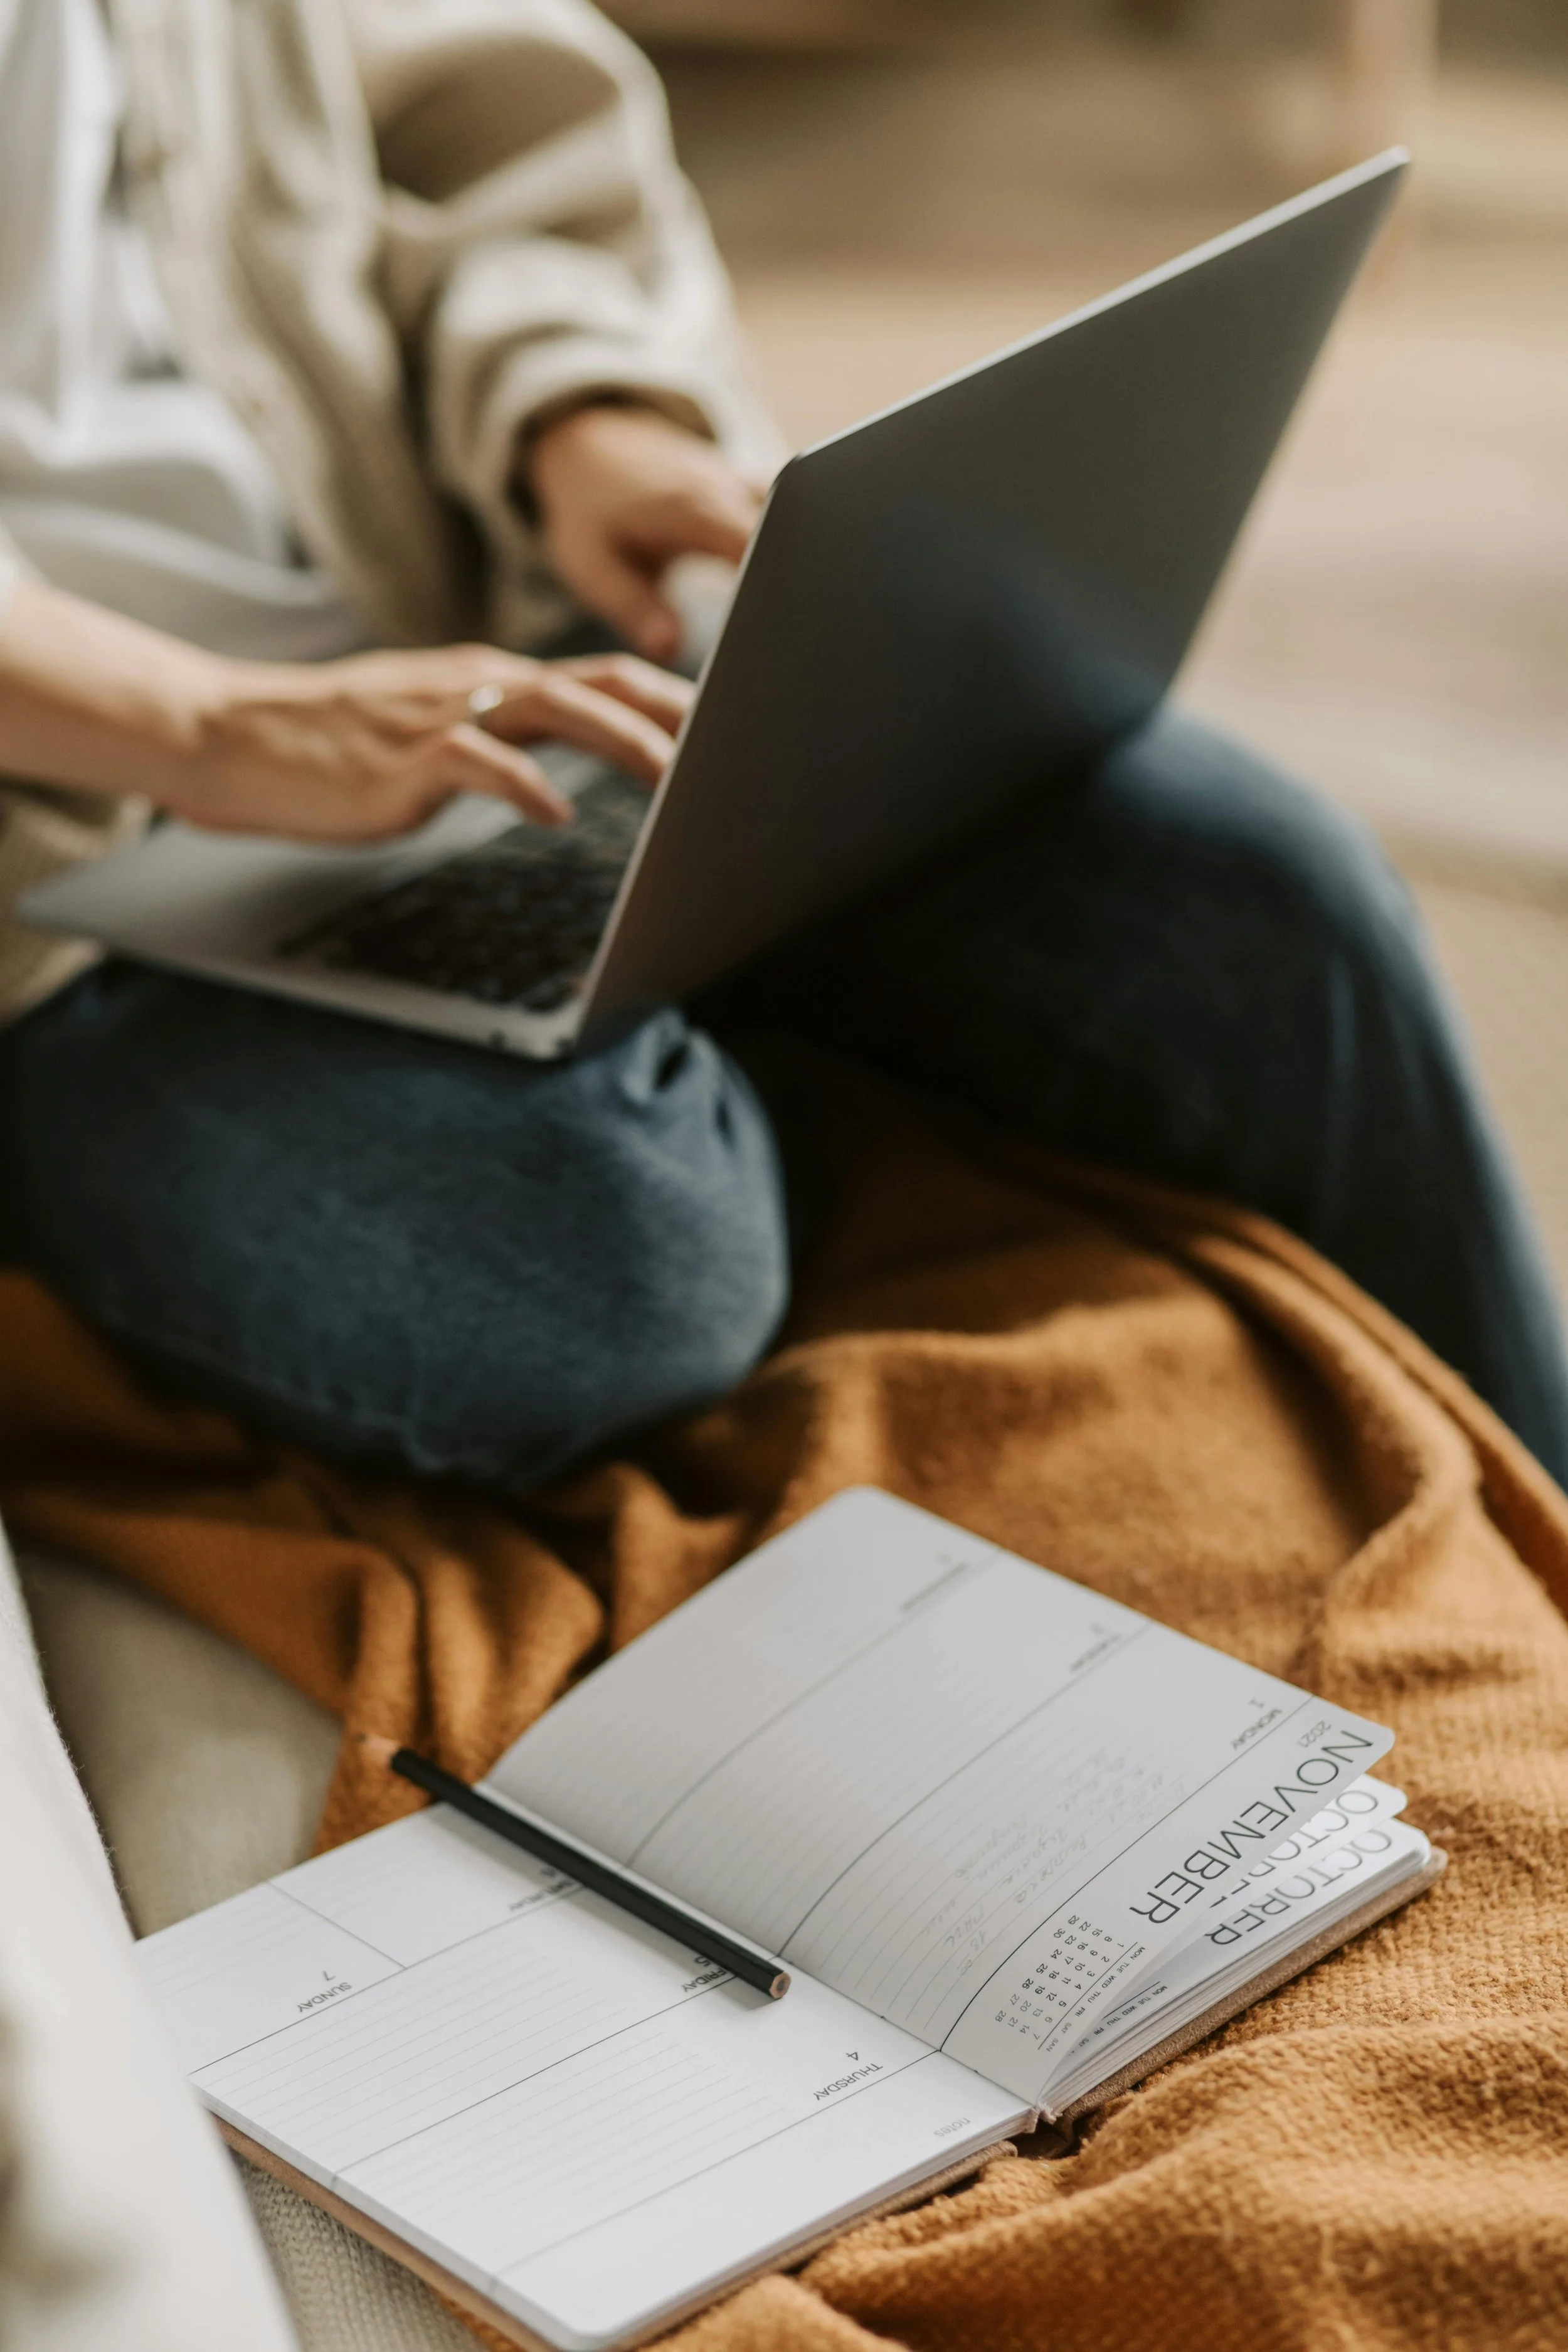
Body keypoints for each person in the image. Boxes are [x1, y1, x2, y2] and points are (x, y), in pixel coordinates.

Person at [1, 0, 1565, 1494]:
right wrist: (197, 722)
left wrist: (580, 414)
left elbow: (464, 133)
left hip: (488, 638)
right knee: (613, 1260)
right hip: (68, 884)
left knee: (1274, 900)